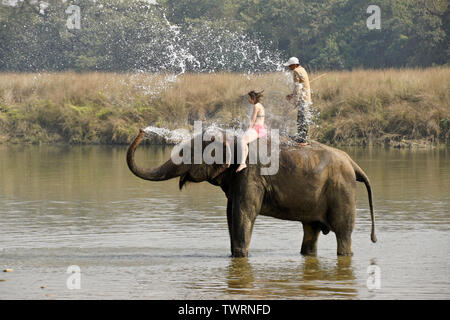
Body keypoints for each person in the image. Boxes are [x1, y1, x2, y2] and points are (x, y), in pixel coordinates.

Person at [236, 90, 267, 173]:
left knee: (242, 140)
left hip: (257, 129)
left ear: (252, 98)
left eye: (248, 98)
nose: (248, 100)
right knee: (242, 139)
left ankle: (243, 163)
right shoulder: (259, 105)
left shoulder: (256, 106)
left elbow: (253, 120)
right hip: (259, 128)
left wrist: (249, 129)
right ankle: (243, 161)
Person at [284, 56, 312, 146]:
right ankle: (302, 138)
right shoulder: (302, 69)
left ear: (295, 65)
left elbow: (297, 88)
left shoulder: (296, 71)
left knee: (301, 119)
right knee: (302, 118)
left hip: (303, 99)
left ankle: (303, 140)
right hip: (306, 98)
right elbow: (299, 87)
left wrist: (296, 100)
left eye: (290, 66)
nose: (289, 67)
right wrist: (293, 95)